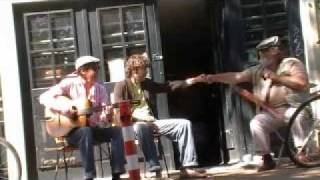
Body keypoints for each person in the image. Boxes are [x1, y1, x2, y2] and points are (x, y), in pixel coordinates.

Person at [197, 36, 309, 171]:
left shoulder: (292, 64)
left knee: (296, 115)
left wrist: (278, 78)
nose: (262, 57)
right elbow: (236, 77)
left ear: (275, 52)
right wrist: (213, 78)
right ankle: (267, 158)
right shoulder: (258, 69)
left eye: (265, 53)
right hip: (271, 112)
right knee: (256, 122)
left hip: (293, 107)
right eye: (261, 54)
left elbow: (301, 84)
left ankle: (301, 152)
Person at [113, 54, 207, 178]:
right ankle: (155, 168)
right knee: (142, 127)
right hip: (133, 126)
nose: (146, 71)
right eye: (144, 68)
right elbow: (119, 109)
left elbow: (166, 87)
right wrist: (135, 114)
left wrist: (193, 80)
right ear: (134, 70)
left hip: (152, 122)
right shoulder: (121, 86)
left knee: (184, 124)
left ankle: (187, 168)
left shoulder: (146, 83)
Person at [39, 56, 126, 180]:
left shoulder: (100, 89)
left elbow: (102, 120)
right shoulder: (70, 83)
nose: (96, 72)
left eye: (97, 69)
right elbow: (44, 97)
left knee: (116, 131)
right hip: (71, 133)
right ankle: (89, 176)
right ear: (82, 71)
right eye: (93, 69)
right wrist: (65, 108)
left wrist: (107, 115)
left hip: (92, 129)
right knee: (86, 131)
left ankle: (117, 173)